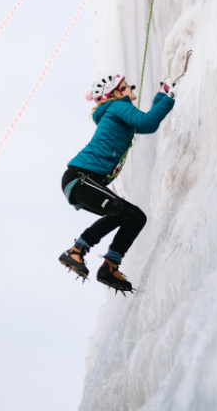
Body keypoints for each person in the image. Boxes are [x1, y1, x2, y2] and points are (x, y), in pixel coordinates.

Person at [59, 73, 175, 293]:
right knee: (121, 211)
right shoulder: (117, 106)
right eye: (126, 85)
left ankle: (110, 265)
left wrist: (161, 96)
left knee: (135, 216)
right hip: (81, 177)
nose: (131, 87)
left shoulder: (116, 112)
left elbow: (144, 123)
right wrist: (169, 97)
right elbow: (148, 122)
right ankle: (77, 250)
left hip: (82, 180)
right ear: (116, 92)